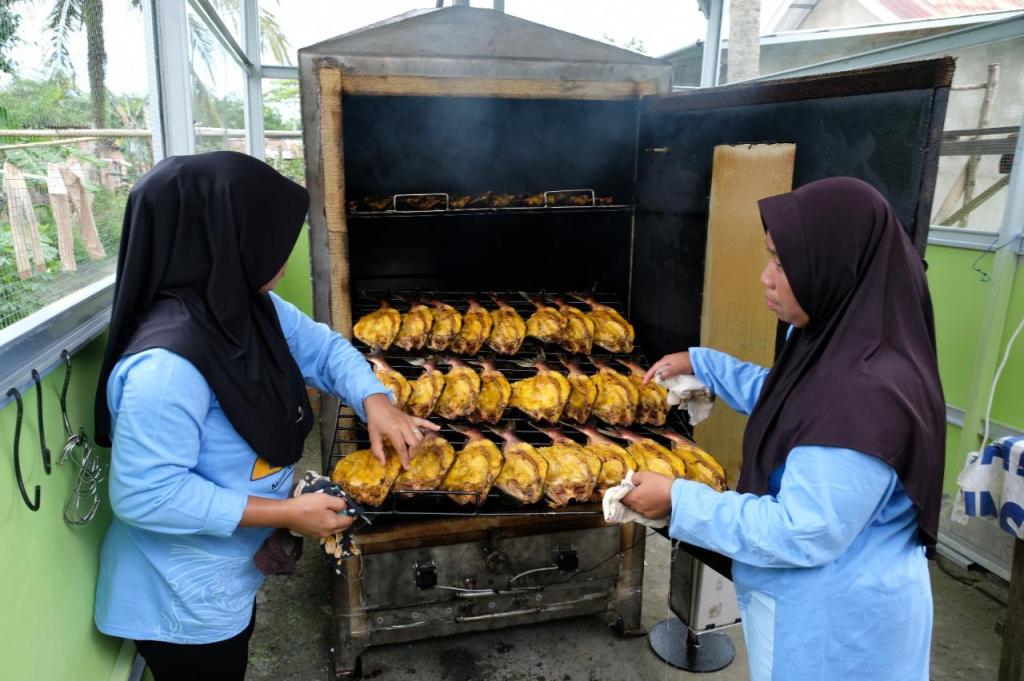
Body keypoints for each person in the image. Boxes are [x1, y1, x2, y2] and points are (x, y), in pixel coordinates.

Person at [91, 151, 437, 681]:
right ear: (225, 237)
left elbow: (324, 351)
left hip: (224, 572)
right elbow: (147, 495)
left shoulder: (244, 304)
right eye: (273, 234)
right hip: (181, 597)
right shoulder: (166, 369)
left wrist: (376, 400)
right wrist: (285, 515)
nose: (285, 249)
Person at [623, 177, 945, 681]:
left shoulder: (865, 395)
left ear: (833, 266)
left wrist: (679, 501)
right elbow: (794, 399)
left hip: (834, 633)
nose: (765, 278)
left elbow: (800, 531)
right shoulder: (853, 337)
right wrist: (707, 365)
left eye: (782, 262)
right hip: (821, 600)